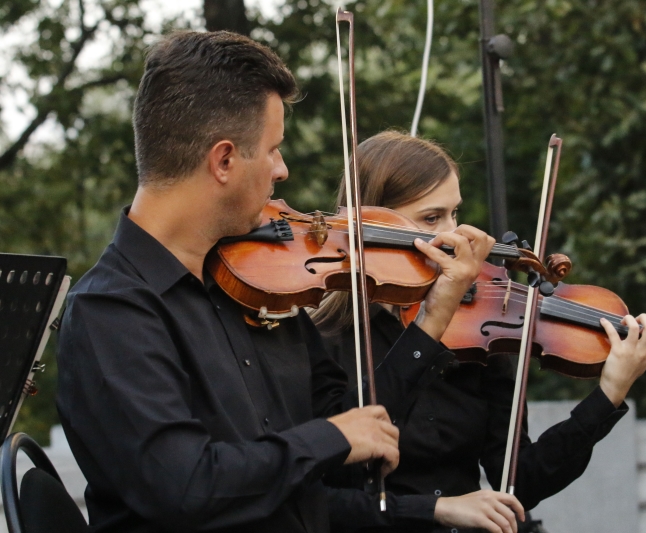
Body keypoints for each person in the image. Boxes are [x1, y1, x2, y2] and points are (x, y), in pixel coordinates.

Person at [55, 32, 500, 533]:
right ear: (224, 161)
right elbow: (184, 487)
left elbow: (357, 426)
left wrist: (435, 312)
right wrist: (329, 440)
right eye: (273, 151)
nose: (282, 170)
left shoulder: (258, 287)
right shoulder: (110, 313)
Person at [313, 131, 646, 533]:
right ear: (375, 224)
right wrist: (437, 509)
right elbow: (319, 494)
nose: (457, 236)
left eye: (454, 214)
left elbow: (519, 481)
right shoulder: (325, 339)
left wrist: (607, 396)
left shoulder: (479, 328)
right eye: (431, 218)